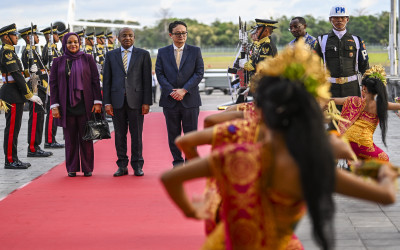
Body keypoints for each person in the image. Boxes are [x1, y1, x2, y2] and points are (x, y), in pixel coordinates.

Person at [161, 43, 397, 249]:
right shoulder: (313, 169)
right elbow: (386, 195)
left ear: (261, 110)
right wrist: (382, 171)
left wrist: (192, 210)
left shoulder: (236, 154)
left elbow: (170, 178)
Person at [49, 32, 102, 177]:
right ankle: (72, 168)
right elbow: (53, 84)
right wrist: (54, 105)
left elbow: (95, 81)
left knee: (86, 138)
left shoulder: (87, 58)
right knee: (70, 139)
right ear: (64, 44)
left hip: (86, 105)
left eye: (76, 42)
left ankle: (87, 168)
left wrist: (98, 102)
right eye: (69, 42)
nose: (73, 45)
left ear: (79, 43)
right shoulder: (58, 61)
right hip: (66, 106)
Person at [103, 27, 152, 177]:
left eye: (130, 35)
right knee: (119, 135)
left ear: (134, 37)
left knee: (136, 135)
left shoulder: (143, 55)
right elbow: (107, 81)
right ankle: (122, 165)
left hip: (136, 102)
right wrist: (107, 102)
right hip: (117, 102)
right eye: (124, 36)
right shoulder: (111, 55)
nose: (127, 38)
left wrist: (146, 102)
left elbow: (146, 80)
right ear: (118, 38)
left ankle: (137, 165)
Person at [155, 20, 204, 167]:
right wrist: (172, 91)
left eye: (184, 33)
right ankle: (177, 162)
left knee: (191, 135)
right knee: (173, 134)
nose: (181, 36)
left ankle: (189, 162)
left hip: (190, 99)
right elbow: (159, 73)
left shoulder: (195, 51)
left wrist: (184, 90)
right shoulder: (162, 52)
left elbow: (199, 73)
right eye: (178, 33)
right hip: (170, 100)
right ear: (171, 35)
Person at [333, 65, 400, 161]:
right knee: (384, 159)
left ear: (364, 88)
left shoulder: (355, 100)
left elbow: (334, 100)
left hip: (346, 141)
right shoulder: (381, 105)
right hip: (363, 145)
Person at [0, 23, 43, 169]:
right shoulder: (7, 52)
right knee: (11, 128)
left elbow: (20, 73)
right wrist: (29, 95)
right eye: (14, 35)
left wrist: (30, 72)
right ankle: (10, 160)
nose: (16, 37)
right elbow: (16, 75)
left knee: (15, 128)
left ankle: (14, 158)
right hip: (11, 94)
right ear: (6, 37)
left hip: (14, 92)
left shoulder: (11, 52)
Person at [314, 5, 369, 108]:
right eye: (335, 17)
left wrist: (367, 88)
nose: (339, 20)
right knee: (333, 122)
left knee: (352, 122)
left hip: (352, 88)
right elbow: (313, 64)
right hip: (330, 89)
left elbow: (364, 66)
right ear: (330, 19)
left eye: (342, 18)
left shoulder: (357, 40)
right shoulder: (322, 40)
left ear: (347, 19)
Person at [19, 25, 53, 158]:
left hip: (41, 87)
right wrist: (36, 90)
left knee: (39, 117)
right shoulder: (28, 52)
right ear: (29, 38)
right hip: (35, 88)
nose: (38, 38)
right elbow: (31, 73)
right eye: (35, 36)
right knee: (35, 118)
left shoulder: (35, 51)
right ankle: (32, 147)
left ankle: (36, 145)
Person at [40, 25, 65, 149]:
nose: (57, 36)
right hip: (51, 85)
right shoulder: (47, 49)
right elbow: (45, 69)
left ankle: (52, 138)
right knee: (51, 113)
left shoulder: (54, 49)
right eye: (55, 34)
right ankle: (49, 140)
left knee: (54, 113)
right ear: (49, 36)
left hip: (57, 84)